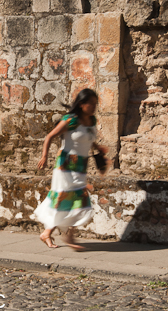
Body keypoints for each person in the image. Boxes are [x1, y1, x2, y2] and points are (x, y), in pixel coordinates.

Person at [35, 89, 109, 250]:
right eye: (92, 103)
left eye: (96, 104)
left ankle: (48, 233)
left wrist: (98, 148)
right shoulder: (71, 120)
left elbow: (88, 139)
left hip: (81, 166)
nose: (94, 107)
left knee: (77, 201)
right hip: (65, 166)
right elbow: (49, 137)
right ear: (82, 104)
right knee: (65, 199)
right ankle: (69, 236)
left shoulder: (92, 121)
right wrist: (44, 156)